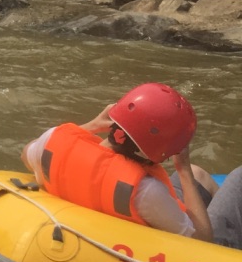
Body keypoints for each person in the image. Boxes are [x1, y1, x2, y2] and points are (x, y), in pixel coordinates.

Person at [21, 82, 214, 239]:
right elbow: (202, 239)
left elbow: (27, 152)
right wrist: (184, 170)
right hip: (177, 232)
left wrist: (92, 125)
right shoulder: (145, 191)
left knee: (200, 175)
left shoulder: (52, 140)